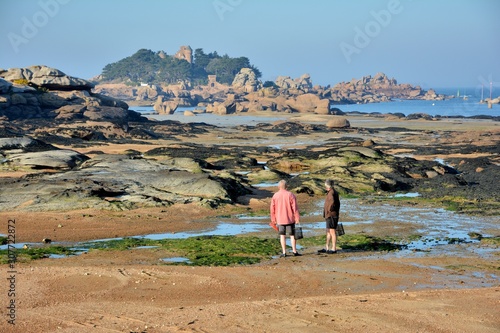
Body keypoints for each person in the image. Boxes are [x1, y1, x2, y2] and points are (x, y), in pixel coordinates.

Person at [270, 179, 301, 257]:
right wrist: (297, 217)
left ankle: (284, 252)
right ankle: (294, 251)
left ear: (278, 187)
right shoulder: (290, 195)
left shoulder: (275, 195)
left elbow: (272, 209)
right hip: (290, 219)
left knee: (282, 235)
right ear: (286, 186)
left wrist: (273, 219)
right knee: (292, 235)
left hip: (280, 219)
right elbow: (295, 208)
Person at [318, 179, 340, 254]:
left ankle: (334, 248)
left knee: (332, 231)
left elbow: (332, 202)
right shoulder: (331, 192)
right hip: (330, 215)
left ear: (328, 186)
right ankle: (327, 247)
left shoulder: (332, 193)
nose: (325, 188)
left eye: (326, 186)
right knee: (328, 231)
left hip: (331, 215)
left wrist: (329, 210)